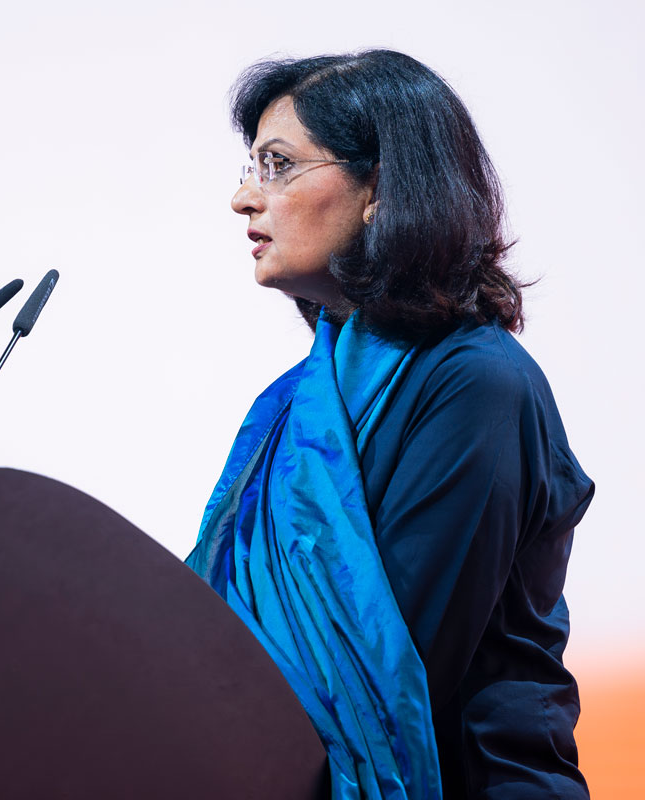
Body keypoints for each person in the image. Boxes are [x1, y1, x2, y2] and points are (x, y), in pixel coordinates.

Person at [184, 50, 593, 799]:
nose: (244, 197)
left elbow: (380, 664)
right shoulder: (291, 402)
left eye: (276, 165)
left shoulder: (476, 384)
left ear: (380, 187)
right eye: (249, 167)